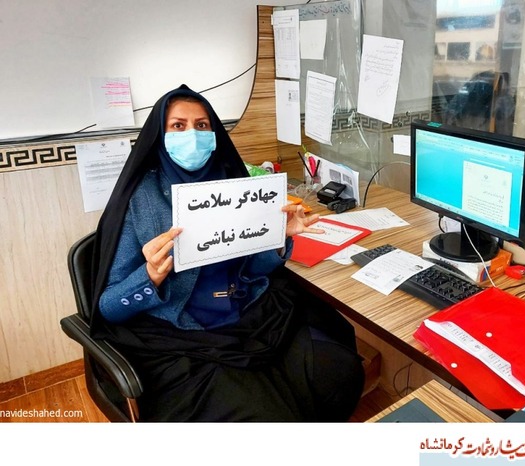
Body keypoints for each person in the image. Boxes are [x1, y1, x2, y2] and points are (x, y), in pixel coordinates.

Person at [89, 84, 365, 422]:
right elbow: (109, 307)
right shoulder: (139, 200)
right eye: (178, 126)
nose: (192, 135)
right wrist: (149, 276)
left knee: (338, 372)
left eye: (202, 125)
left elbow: (252, 268)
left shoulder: (235, 184)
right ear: (160, 135)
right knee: (266, 418)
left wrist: (278, 238)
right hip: (185, 336)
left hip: (251, 314)